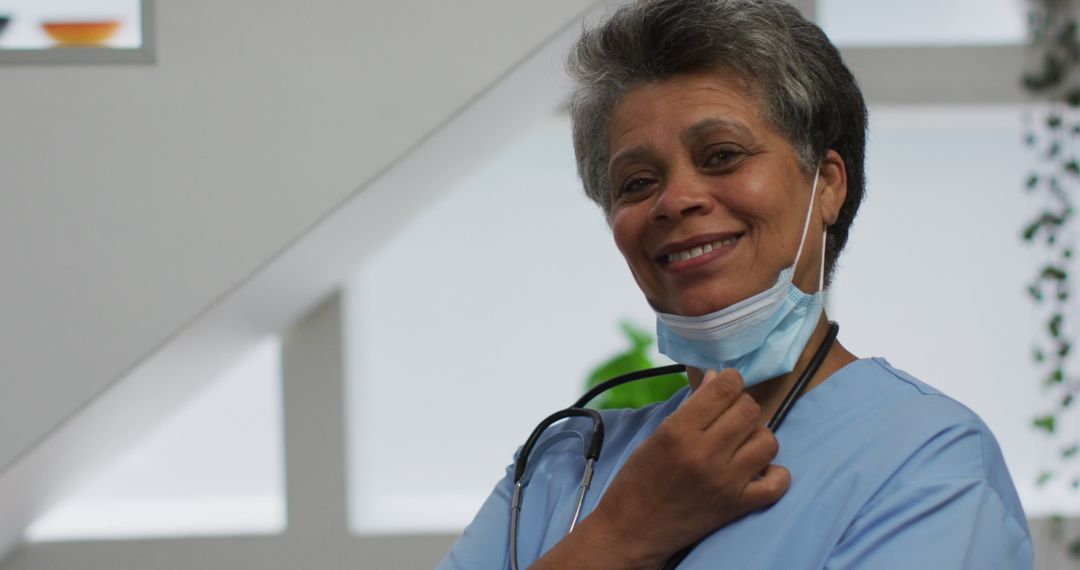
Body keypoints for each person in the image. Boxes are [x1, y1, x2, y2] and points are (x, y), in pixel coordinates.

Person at [438, 0, 1033, 567]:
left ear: (826, 185)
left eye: (721, 155)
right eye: (638, 183)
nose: (676, 200)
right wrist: (625, 531)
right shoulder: (561, 466)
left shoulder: (929, 460)